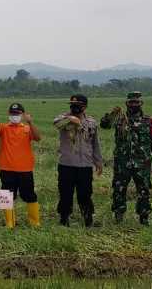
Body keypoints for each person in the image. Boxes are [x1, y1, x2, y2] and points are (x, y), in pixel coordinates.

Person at [100, 91, 152, 225]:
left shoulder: (149, 120)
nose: (134, 104)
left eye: (136, 102)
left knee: (144, 190)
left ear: (141, 103)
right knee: (119, 189)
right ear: (126, 104)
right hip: (122, 162)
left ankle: (144, 217)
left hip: (142, 163)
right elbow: (104, 125)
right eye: (131, 102)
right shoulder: (119, 119)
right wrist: (111, 114)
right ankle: (118, 216)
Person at [53, 94, 103, 227]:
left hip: (85, 165)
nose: (74, 107)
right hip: (66, 164)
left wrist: (98, 161)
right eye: (72, 105)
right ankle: (64, 218)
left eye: (77, 105)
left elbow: (95, 143)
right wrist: (71, 119)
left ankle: (87, 219)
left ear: (84, 107)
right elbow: (56, 123)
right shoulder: (62, 118)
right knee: (65, 193)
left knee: (85, 194)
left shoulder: (91, 122)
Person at [0, 103, 42, 228]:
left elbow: (38, 137)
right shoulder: (3, 127)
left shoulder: (27, 129)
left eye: (17, 114)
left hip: (25, 169)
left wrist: (31, 123)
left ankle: (34, 222)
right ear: (8, 114)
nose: (14, 116)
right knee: (8, 196)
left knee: (30, 195)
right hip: (7, 168)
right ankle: (10, 222)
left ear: (22, 114)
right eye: (12, 113)